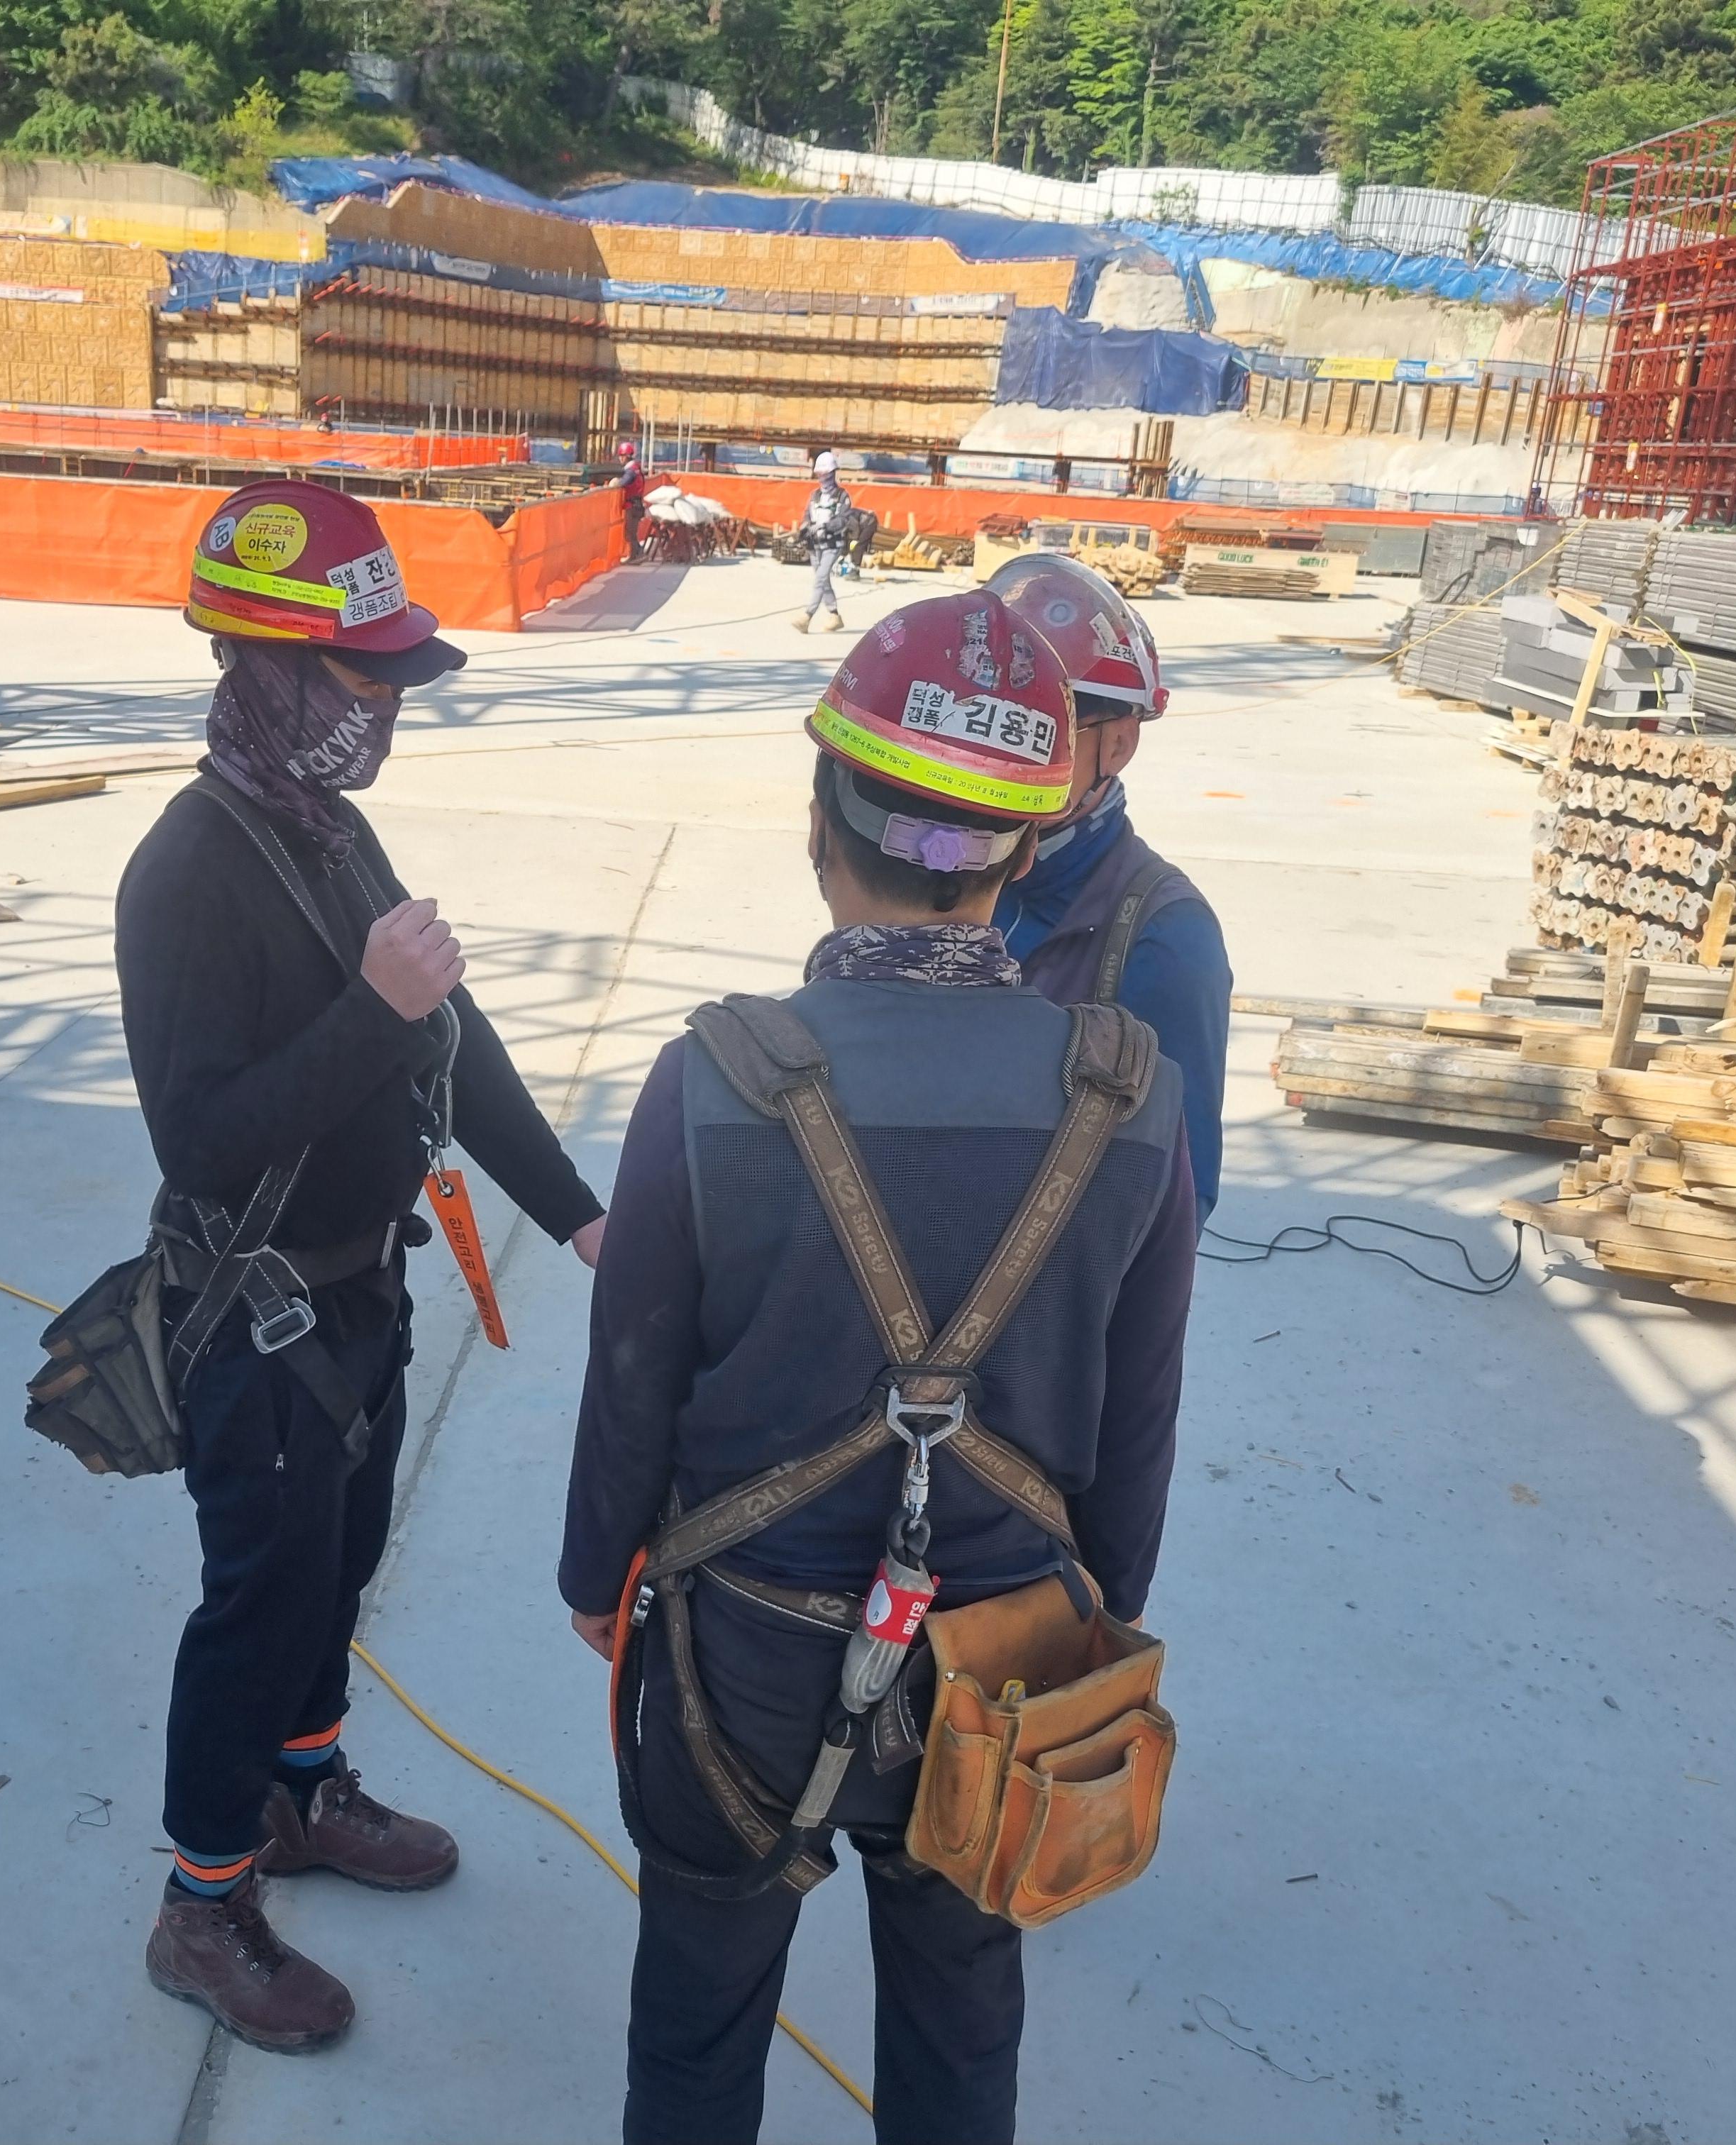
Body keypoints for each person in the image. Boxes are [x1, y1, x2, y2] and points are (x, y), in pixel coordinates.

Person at [560, 588, 1197, 2145]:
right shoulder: (1130, 1094)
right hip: (1001, 1653)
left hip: (741, 1653)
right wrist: (1094, 1611)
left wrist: (597, 1578)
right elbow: (1138, 1420)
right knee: (959, 2029)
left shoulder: (714, 1080)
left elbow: (632, 1372)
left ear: (817, 821)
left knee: (697, 2029)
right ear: (1026, 850)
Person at [116, 478, 607, 2053]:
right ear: (267, 668)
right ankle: (202, 1904)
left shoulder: (329, 828)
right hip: (256, 1317)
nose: (383, 709)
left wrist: (578, 1212)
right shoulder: (188, 871)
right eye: (360, 677)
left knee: (339, 1567)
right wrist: (369, 1014)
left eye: (392, 681)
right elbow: (203, 1137)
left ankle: (305, 1790)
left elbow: (449, 1035)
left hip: (358, 1292)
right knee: (258, 1602)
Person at [988, 553, 1232, 1216]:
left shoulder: (1165, 938)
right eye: (993, 719)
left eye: (1041, 730)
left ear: (1118, 745)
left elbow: (1178, 1201)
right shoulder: (944, 870)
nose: (1006, 756)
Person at [794, 450, 853, 633]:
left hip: (833, 545)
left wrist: (826, 526)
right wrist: (805, 526)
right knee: (824, 580)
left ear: (832, 473)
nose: (822, 478)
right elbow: (807, 515)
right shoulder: (815, 496)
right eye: (819, 474)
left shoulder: (842, 496)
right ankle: (835, 616)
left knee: (820, 579)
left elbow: (843, 520)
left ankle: (807, 616)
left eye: (824, 473)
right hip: (815, 545)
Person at [618, 440, 648, 559]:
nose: (620, 458)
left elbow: (622, 484)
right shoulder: (637, 468)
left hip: (632, 506)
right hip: (637, 504)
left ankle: (636, 555)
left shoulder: (630, 471)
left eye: (622, 455)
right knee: (632, 532)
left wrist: (615, 482)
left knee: (630, 533)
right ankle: (636, 554)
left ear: (627, 456)